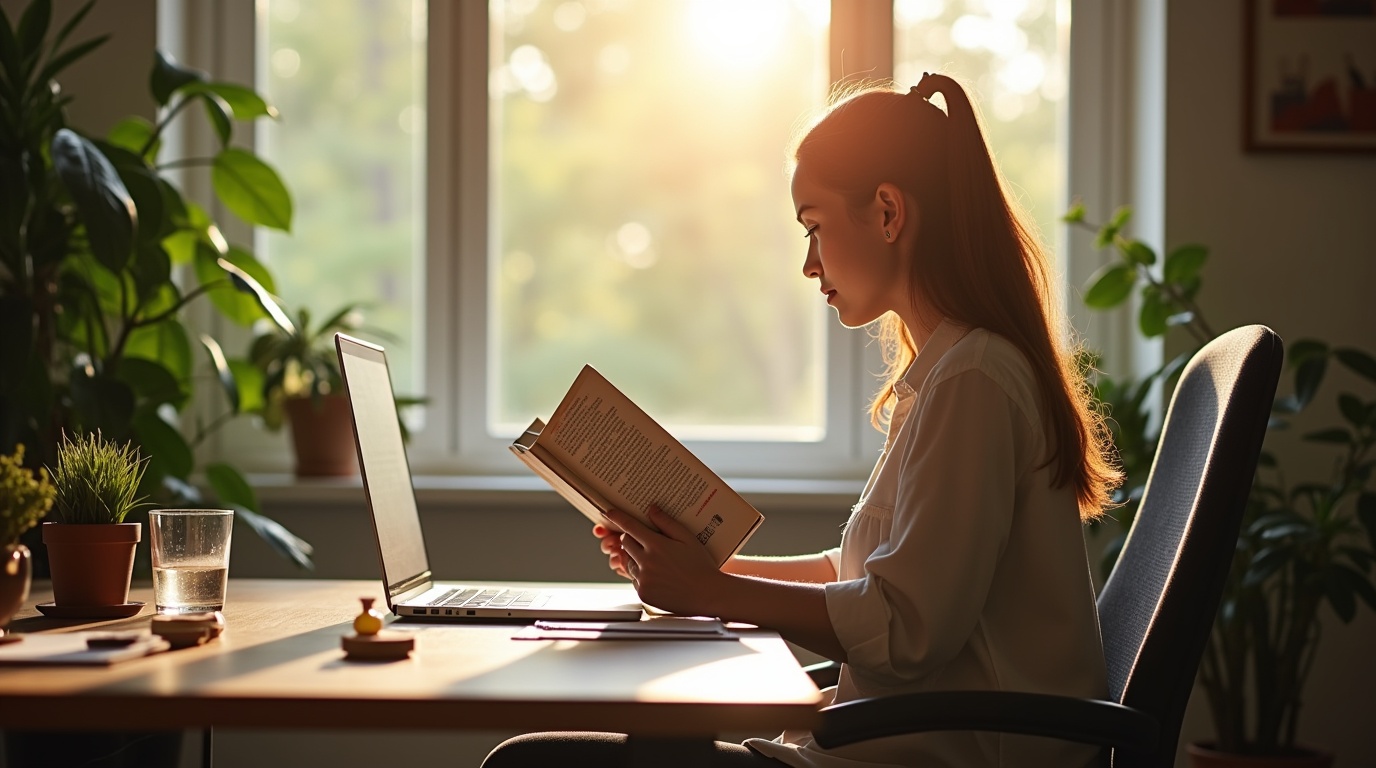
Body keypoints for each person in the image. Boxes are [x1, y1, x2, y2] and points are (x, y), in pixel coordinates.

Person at [481, 73, 1121, 768]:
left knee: (533, 763)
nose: (809, 264)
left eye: (814, 227)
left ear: (886, 212)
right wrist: (698, 571)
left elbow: (907, 630)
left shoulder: (973, 380)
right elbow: (858, 577)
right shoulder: (951, 373)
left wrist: (711, 590)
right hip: (891, 748)